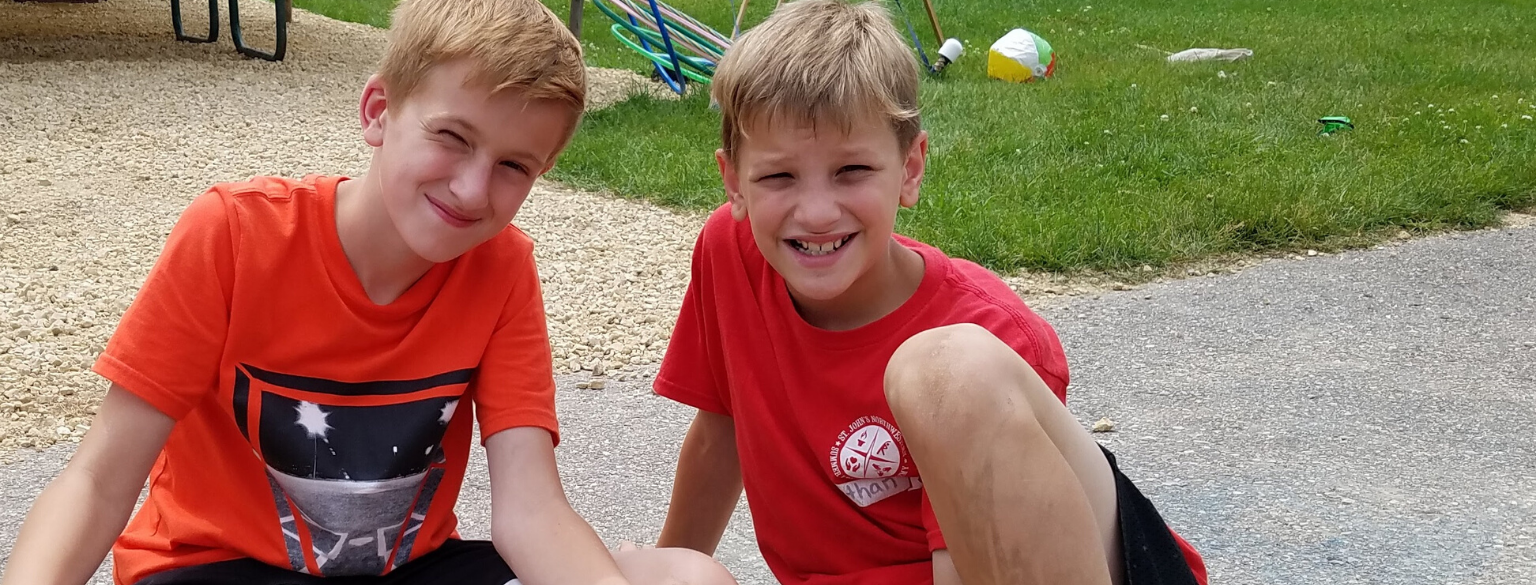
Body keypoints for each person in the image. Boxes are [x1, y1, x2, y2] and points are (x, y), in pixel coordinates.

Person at [0, 1, 736, 584]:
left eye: (515, 166)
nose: (473, 188)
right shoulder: (235, 234)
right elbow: (99, 478)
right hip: (212, 566)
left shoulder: (502, 266)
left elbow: (530, 509)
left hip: (408, 569)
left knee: (687, 576)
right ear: (378, 111)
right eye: (452, 136)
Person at [649, 1, 1208, 584]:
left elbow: (977, 566)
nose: (815, 212)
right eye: (778, 176)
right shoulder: (731, 252)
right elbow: (722, 433)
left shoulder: (984, 333)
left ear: (910, 169)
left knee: (946, 370)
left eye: (852, 171)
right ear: (734, 181)